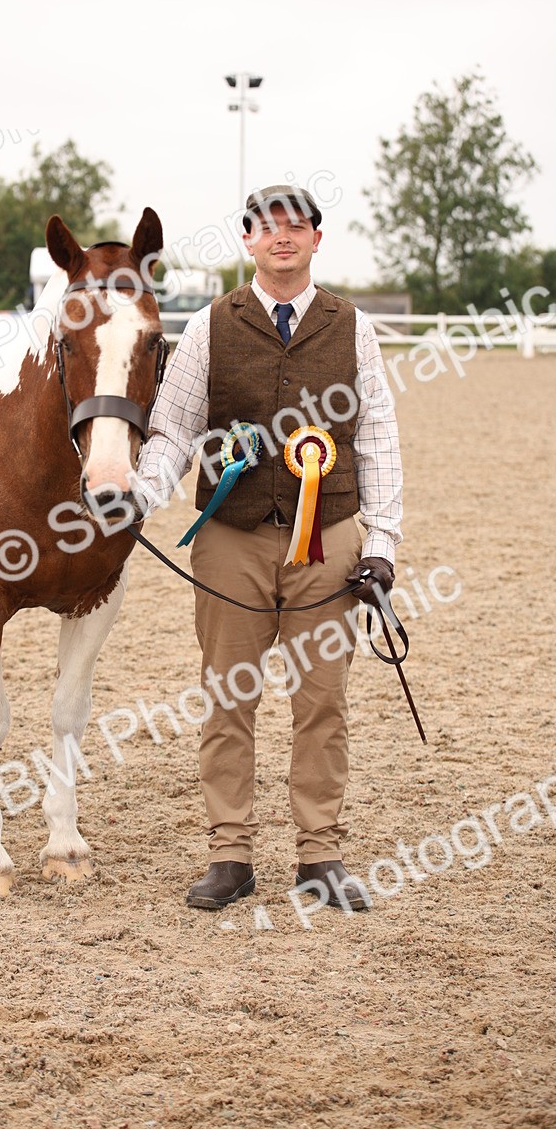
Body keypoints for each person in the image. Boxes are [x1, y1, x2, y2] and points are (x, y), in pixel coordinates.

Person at [135, 184, 402, 912]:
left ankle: (320, 855)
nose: (280, 237)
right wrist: (139, 495)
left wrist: (381, 542)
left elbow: (376, 438)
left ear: (318, 239)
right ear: (248, 241)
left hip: (332, 542)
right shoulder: (209, 326)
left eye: (295, 226)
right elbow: (173, 430)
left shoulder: (355, 327)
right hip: (230, 540)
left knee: (323, 702)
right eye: (265, 227)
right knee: (229, 697)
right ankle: (230, 854)